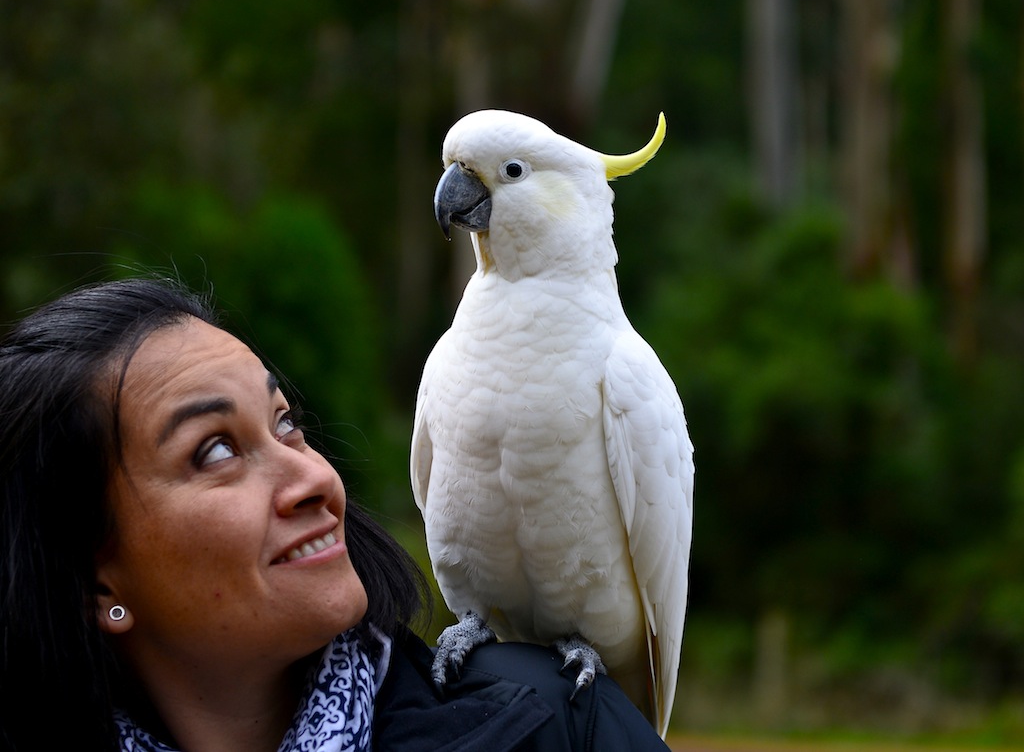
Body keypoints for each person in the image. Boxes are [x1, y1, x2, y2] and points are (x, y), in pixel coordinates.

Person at [0, 277, 670, 752]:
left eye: (287, 423)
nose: (316, 478)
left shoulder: (552, 722)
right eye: (215, 450)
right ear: (97, 581)